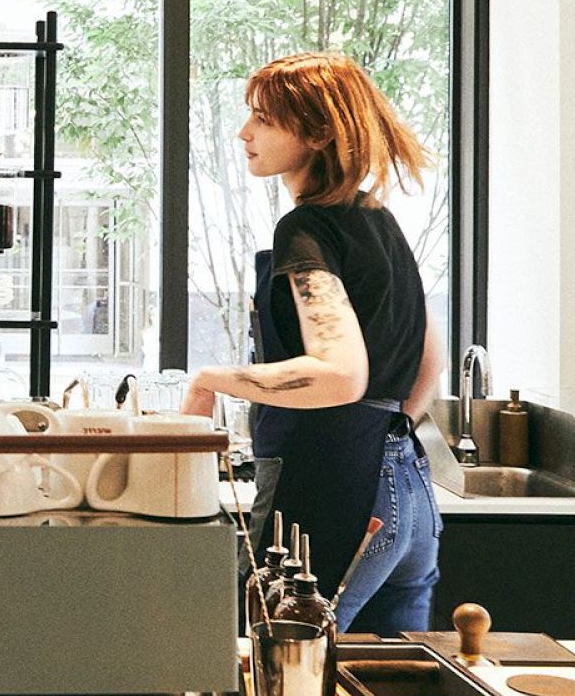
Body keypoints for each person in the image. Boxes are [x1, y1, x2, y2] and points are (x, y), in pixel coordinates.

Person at [181, 52, 444, 633]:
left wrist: (210, 380)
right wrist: (380, 436)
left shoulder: (307, 228)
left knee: (281, 684)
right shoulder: (379, 220)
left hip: (336, 494)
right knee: (384, 691)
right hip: (408, 492)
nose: (244, 132)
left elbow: (339, 374)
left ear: (319, 132)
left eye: (264, 120)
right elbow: (431, 360)